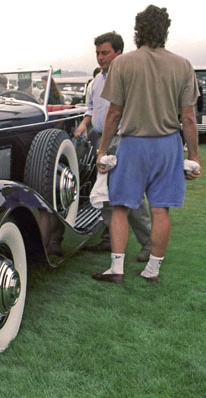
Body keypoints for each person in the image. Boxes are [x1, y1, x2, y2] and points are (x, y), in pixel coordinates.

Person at [92, 5, 200, 283]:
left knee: (120, 207)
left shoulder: (123, 63)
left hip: (133, 144)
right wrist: (195, 156)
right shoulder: (183, 65)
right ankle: (152, 270)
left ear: (138, 30)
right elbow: (188, 118)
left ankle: (116, 269)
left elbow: (114, 113)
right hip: (168, 146)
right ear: (165, 30)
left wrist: (102, 150)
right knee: (160, 208)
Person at [74, 31, 152, 263]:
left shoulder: (131, 79)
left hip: (125, 141)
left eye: (105, 53)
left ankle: (149, 243)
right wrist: (85, 123)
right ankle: (110, 238)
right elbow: (91, 108)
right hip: (101, 141)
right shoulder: (97, 82)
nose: (100, 57)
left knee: (132, 194)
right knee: (103, 193)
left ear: (119, 53)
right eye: (97, 53)